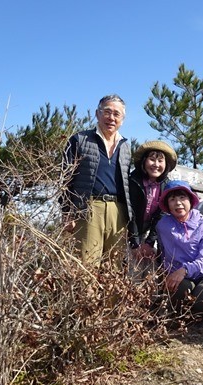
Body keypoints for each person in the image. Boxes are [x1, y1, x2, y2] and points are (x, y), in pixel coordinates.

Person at [60, 94, 133, 265]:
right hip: (88, 209)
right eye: (107, 112)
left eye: (117, 114)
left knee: (114, 268)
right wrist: (67, 212)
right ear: (97, 113)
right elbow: (64, 179)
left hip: (118, 211)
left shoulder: (125, 146)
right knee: (86, 265)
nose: (111, 118)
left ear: (122, 119)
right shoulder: (79, 140)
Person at [155, 180, 203, 325]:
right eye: (172, 199)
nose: (178, 203)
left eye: (182, 197)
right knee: (178, 290)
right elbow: (163, 253)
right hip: (179, 277)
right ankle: (189, 311)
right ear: (167, 205)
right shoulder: (162, 225)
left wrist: (184, 270)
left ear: (190, 200)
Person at [128, 140, 177, 274]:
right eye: (152, 159)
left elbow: (161, 215)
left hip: (152, 233)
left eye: (160, 161)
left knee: (151, 269)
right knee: (133, 268)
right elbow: (130, 213)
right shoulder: (133, 181)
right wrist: (135, 243)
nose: (156, 164)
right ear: (144, 161)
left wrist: (149, 242)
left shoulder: (166, 185)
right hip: (130, 231)